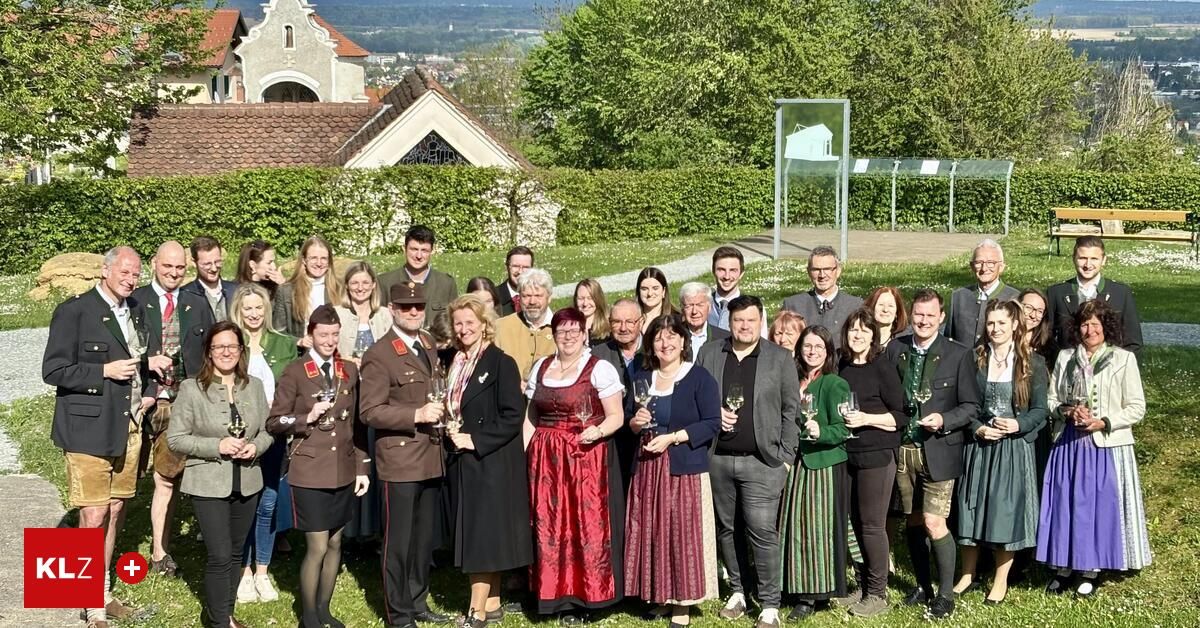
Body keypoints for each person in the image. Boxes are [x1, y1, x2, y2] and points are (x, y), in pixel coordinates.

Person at [43, 246, 147, 628]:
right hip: (87, 427)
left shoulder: (134, 309)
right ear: (105, 270)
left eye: (136, 273)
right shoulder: (74, 311)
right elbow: (52, 370)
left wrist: (150, 388)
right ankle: (91, 602)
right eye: (124, 271)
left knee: (116, 509)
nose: (131, 278)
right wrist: (103, 370)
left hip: (127, 425)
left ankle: (100, 589)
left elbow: (138, 358)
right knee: (93, 513)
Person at [695, 296, 800, 628]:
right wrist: (714, 415)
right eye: (738, 320)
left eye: (751, 320)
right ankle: (739, 592)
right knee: (728, 530)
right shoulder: (710, 354)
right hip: (718, 459)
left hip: (763, 461)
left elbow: (790, 410)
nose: (744, 326)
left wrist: (784, 457)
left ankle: (770, 605)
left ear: (761, 322)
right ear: (729, 321)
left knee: (762, 532)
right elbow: (696, 399)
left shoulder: (779, 358)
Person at [1038, 300, 1150, 596]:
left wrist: (1104, 422)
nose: (1090, 330)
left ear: (1106, 327)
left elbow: (1138, 407)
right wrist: (1065, 411)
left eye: (1096, 324)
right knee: (1066, 504)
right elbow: (1050, 400)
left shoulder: (1123, 359)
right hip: (1068, 444)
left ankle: (1091, 568)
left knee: (1096, 507)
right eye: (1085, 324)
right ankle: (1064, 565)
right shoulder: (1065, 358)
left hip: (1104, 446)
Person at [267, 305, 369, 628]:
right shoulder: (295, 372)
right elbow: (274, 421)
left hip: (342, 469)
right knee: (318, 545)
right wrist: (304, 418)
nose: (329, 340)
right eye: (323, 334)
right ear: (310, 335)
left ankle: (325, 608)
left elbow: (356, 424)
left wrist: (362, 468)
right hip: (309, 470)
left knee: (337, 542)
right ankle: (308, 616)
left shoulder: (348, 371)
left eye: (334, 334)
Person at [167, 321, 274, 628]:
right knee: (220, 554)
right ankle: (218, 623)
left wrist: (255, 447)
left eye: (232, 346)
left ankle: (225, 614)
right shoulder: (191, 388)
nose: (226, 352)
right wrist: (218, 445)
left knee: (237, 552)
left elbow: (268, 430)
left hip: (248, 480)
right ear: (209, 352)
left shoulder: (252, 386)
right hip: (208, 483)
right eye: (219, 347)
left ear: (241, 351)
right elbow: (176, 439)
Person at [524, 308, 627, 624]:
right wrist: (526, 452)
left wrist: (597, 431)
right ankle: (552, 594)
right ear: (553, 335)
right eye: (561, 330)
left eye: (573, 330)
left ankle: (588, 596)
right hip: (546, 460)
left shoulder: (600, 369)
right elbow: (531, 416)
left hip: (586, 459)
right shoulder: (541, 367)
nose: (567, 336)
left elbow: (616, 416)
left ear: (585, 334)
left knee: (584, 523)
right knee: (548, 524)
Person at [884, 289, 980, 619]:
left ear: (941, 317)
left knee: (934, 521)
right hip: (902, 450)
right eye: (918, 315)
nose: (923, 321)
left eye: (930, 315)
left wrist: (944, 420)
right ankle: (922, 586)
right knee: (912, 520)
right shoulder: (895, 349)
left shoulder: (958, 354)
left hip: (938, 449)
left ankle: (945, 594)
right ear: (911, 316)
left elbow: (971, 406)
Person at [360, 282, 451, 628]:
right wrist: (416, 415)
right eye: (406, 307)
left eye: (418, 307)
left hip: (430, 454)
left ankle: (417, 600)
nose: (413, 312)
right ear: (393, 310)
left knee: (423, 539)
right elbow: (369, 411)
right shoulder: (379, 354)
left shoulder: (427, 342)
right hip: (400, 460)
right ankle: (397, 613)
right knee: (397, 542)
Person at [625, 314, 721, 626]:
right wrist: (636, 424)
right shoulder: (642, 377)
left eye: (672, 337)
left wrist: (673, 438)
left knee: (681, 535)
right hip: (648, 469)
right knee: (654, 533)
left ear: (683, 341)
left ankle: (682, 603)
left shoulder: (699, 377)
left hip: (683, 469)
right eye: (658, 338)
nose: (665, 343)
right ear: (651, 344)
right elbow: (631, 420)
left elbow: (711, 423)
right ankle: (661, 595)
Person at [443, 295, 533, 627]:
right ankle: (492, 603)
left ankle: (475, 612)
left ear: (484, 325)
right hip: (461, 461)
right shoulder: (454, 361)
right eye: (458, 323)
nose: (463, 329)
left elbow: (513, 416)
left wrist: (475, 440)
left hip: (490, 462)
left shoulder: (500, 363)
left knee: (482, 539)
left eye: (470, 322)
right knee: (481, 534)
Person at [953, 300, 1048, 604]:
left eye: (1001, 324)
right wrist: (977, 427)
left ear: (1015, 326)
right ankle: (967, 575)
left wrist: (1016, 425)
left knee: (1004, 513)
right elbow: (964, 404)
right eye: (991, 324)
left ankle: (1000, 580)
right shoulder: (974, 359)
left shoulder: (1032, 363)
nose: (995, 329)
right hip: (979, 446)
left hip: (1011, 450)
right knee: (970, 507)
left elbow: (1040, 410)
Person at [132, 240, 217, 579]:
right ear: (154, 264)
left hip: (180, 403)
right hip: (140, 400)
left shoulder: (196, 304)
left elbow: (211, 351)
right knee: (121, 486)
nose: (173, 273)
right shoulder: (136, 300)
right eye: (168, 266)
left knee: (167, 478)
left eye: (180, 268)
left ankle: (159, 552)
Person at [229, 283, 297, 604]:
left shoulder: (284, 344)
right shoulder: (231, 343)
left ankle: (262, 571)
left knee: (269, 502)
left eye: (259, 308)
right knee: (245, 503)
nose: (254, 314)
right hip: (240, 436)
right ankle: (242, 573)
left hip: (273, 435)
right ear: (238, 311)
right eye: (248, 309)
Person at [836, 308, 904, 618]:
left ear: (873, 335)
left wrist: (866, 419)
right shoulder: (842, 365)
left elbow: (901, 416)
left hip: (877, 454)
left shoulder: (883, 367)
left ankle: (878, 592)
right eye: (853, 330)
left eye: (865, 330)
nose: (858, 335)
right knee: (854, 524)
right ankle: (862, 586)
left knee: (872, 526)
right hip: (848, 454)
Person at [780, 326, 850, 620]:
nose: (812, 351)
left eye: (819, 347)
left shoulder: (834, 384)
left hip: (822, 465)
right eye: (807, 346)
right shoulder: (792, 380)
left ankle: (811, 594)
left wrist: (822, 431)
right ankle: (790, 585)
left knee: (815, 531)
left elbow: (845, 428)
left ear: (828, 351)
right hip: (793, 463)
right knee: (792, 526)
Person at [1045, 235, 1143, 363]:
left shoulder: (1120, 293)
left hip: (1109, 371)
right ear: (1074, 259)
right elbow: (1046, 338)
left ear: (1103, 260)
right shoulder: (1056, 292)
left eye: (1094, 259)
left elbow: (1133, 342)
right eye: (1082, 258)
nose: (1088, 264)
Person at [591, 298, 644, 493]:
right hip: (611, 441)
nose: (623, 328)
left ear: (641, 321)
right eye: (616, 322)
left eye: (629, 322)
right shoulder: (597, 355)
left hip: (645, 437)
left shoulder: (655, 349)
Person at [781, 246, 863, 349]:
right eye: (816, 270)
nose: (822, 275)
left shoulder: (855, 306)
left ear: (838, 271)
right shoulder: (793, 305)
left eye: (827, 269)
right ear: (808, 272)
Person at [943, 239, 1021, 347]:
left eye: (991, 263)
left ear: (1001, 267)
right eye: (979, 263)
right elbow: (949, 340)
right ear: (971, 266)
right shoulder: (959, 297)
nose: (984, 268)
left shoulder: (1014, 297)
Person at [379, 225, 458, 327]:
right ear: (404, 249)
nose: (419, 256)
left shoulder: (446, 284)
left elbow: (454, 321)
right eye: (414, 249)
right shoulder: (385, 283)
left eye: (424, 250)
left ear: (432, 251)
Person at [274, 235, 344, 341]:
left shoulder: (340, 289)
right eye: (314, 258)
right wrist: (299, 341)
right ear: (304, 260)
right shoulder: (286, 291)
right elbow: (278, 332)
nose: (319, 263)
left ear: (329, 262)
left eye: (323, 258)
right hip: (301, 354)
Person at [494, 267, 556, 382]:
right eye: (526, 296)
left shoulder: (561, 328)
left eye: (538, 296)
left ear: (549, 298)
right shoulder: (501, 327)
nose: (532, 302)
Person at [334, 261, 394, 363]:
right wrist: (345, 360)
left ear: (373, 285)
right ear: (347, 285)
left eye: (365, 283)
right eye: (354, 283)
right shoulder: (335, 314)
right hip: (345, 375)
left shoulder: (385, 315)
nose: (360, 288)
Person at [183, 235, 237, 322]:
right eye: (207, 264)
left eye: (217, 262)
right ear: (194, 262)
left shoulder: (236, 291)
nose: (214, 268)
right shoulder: (185, 296)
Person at [678, 281, 730, 359]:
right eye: (689, 306)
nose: (694, 311)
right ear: (682, 309)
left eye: (700, 305)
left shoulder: (725, 339)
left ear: (709, 308)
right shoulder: (673, 336)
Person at [496, 246, 534, 316]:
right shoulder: (494, 297)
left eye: (526, 267)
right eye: (516, 266)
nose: (520, 271)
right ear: (507, 267)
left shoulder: (538, 297)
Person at [636, 267, 675, 332]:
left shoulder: (676, 320)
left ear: (664, 291)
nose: (650, 293)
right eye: (644, 289)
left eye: (655, 288)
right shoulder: (631, 320)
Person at [574, 278, 611, 344]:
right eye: (581, 298)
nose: (585, 303)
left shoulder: (609, 328)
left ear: (598, 299)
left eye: (590, 298)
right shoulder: (568, 326)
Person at [1019, 288, 1053, 359]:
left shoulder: (1047, 345)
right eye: (1028, 308)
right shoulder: (1002, 336)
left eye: (1039, 311)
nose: (1033, 315)